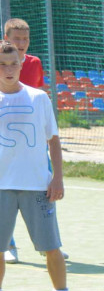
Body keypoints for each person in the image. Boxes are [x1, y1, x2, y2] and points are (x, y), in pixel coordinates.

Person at [0, 40, 73, 291]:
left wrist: (57, 178)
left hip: (37, 187)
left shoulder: (38, 98)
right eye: (3, 65)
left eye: (13, 64)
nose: (9, 70)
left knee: (51, 247)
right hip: (1, 187)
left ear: (21, 65)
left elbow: (53, 141)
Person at [2, 18, 62, 265]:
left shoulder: (34, 64)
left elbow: (36, 101)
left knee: (44, 187)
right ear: (6, 39)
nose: (22, 43)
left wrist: (57, 175)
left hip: (32, 146)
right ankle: (9, 244)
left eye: (25, 39)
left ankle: (48, 241)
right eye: (16, 39)